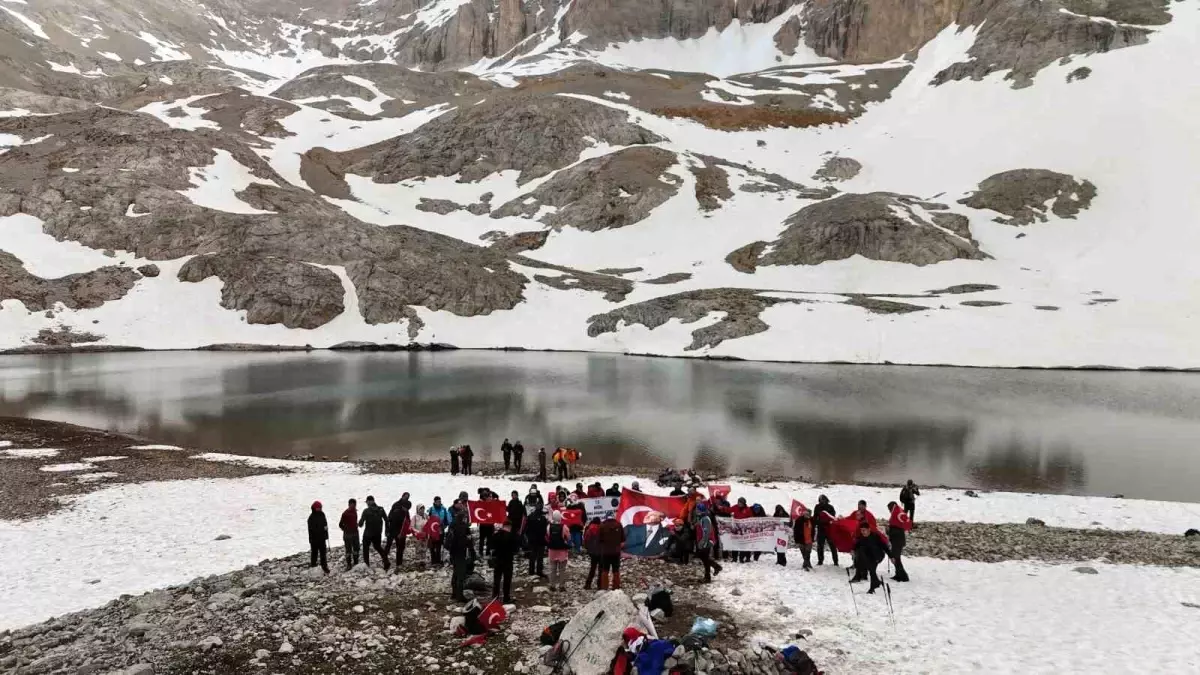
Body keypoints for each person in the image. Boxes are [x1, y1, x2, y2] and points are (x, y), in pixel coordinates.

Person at [852, 520, 891, 593]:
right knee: (871, 570)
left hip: (878, 556)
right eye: (861, 530)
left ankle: (873, 588)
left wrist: (891, 556)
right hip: (868, 556)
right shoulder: (861, 538)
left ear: (869, 529)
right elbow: (857, 545)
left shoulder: (875, 536)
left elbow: (884, 546)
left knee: (872, 570)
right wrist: (853, 550)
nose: (863, 532)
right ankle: (876, 583)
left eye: (864, 530)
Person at [490, 518, 519, 603]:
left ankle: (495, 597)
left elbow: (491, 547)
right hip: (508, 560)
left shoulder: (496, 535)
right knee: (507, 580)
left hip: (498, 560)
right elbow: (516, 549)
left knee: (497, 579)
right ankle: (506, 598)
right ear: (509, 526)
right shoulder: (512, 536)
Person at [447, 509, 473, 601]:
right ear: (463, 518)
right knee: (461, 575)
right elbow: (462, 542)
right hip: (460, 553)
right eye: (466, 518)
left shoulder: (452, 525)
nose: (466, 519)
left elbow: (449, 541)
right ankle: (460, 596)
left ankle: (454, 594)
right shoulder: (462, 527)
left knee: (455, 573)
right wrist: (468, 539)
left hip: (453, 553)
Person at [693, 503, 722, 583]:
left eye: (697, 509)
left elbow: (707, 533)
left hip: (706, 542)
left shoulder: (705, 519)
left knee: (705, 559)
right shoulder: (701, 518)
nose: (696, 511)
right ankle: (715, 568)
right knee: (704, 558)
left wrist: (703, 543)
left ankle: (709, 576)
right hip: (703, 541)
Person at [359, 496, 389, 570]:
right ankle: (386, 561)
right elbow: (386, 520)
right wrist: (386, 531)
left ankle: (367, 564)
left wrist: (358, 523)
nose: (367, 503)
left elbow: (361, 524)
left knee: (366, 548)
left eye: (367, 502)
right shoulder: (381, 509)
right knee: (378, 547)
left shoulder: (366, 511)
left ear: (370, 501)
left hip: (368, 534)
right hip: (378, 533)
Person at [598, 512, 625, 589]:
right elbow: (623, 540)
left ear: (606, 517)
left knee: (605, 570)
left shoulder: (602, 525)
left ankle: (604, 587)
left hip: (605, 551)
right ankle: (616, 587)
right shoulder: (619, 525)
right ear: (614, 516)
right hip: (616, 551)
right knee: (616, 570)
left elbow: (599, 539)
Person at [546, 510, 571, 591]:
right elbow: (568, 537)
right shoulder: (564, 527)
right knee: (562, 570)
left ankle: (552, 586)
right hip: (562, 551)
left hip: (552, 550)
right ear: (560, 517)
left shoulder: (549, 526)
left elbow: (547, 536)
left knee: (552, 569)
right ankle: (561, 586)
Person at [887, 501, 911, 582]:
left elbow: (897, 530)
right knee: (896, 558)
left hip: (897, 541)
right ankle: (898, 574)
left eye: (889, 509)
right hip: (897, 541)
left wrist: (890, 532)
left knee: (896, 558)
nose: (889, 511)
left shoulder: (897, 514)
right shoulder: (896, 515)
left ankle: (904, 576)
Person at [384, 496, 410, 569]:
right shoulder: (395, 507)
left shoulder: (406, 512)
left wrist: (404, 532)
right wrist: (386, 530)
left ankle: (399, 563)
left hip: (400, 532)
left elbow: (408, 522)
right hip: (392, 530)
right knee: (388, 546)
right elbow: (388, 519)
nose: (406, 509)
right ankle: (385, 561)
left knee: (400, 547)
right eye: (406, 508)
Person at [523, 507, 548, 578]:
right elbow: (545, 530)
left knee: (532, 555)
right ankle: (539, 571)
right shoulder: (543, 519)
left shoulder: (530, 517)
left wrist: (529, 537)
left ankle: (531, 571)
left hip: (532, 540)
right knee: (540, 556)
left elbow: (526, 529)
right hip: (541, 540)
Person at [813, 494, 838, 566]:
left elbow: (833, 517)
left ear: (826, 499)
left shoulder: (830, 507)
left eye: (823, 499)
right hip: (821, 529)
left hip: (829, 529)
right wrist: (817, 523)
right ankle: (820, 561)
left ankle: (836, 561)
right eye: (820, 499)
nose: (822, 501)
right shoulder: (817, 507)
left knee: (833, 546)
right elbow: (815, 517)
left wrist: (827, 521)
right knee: (820, 546)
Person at [307, 501, 330, 574]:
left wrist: (326, 534)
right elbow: (311, 530)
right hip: (314, 539)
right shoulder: (311, 518)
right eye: (319, 508)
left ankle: (324, 566)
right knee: (314, 553)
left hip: (322, 538)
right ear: (315, 508)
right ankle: (313, 565)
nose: (320, 509)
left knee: (323, 553)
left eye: (320, 507)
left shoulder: (322, 514)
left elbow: (325, 524)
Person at [339, 498, 360, 570]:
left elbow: (354, 521)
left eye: (354, 505)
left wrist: (355, 525)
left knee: (356, 548)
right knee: (348, 550)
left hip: (355, 533)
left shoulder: (355, 512)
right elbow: (340, 524)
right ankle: (349, 564)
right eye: (352, 505)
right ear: (349, 505)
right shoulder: (345, 513)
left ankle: (356, 562)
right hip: (348, 535)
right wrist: (346, 529)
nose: (354, 506)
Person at [792, 504, 814, 571]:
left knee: (808, 552)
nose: (807, 515)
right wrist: (796, 539)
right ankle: (808, 563)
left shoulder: (812, 520)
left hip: (809, 539)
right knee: (804, 552)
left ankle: (805, 565)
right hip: (801, 539)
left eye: (809, 514)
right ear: (804, 514)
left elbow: (813, 530)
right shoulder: (799, 520)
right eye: (806, 514)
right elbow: (795, 530)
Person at [583, 517, 603, 589]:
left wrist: (587, 548)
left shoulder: (589, 529)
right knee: (601, 569)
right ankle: (600, 585)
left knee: (592, 568)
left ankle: (588, 584)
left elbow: (586, 539)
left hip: (592, 552)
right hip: (601, 552)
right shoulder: (602, 528)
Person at [477, 489, 495, 558]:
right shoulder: (481, 503)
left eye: (490, 497)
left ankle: (487, 552)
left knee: (489, 539)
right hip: (483, 525)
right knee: (482, 539)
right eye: (489, 497)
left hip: (490, 525)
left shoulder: (492, 503)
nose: (490, 498)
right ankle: (481, 552)